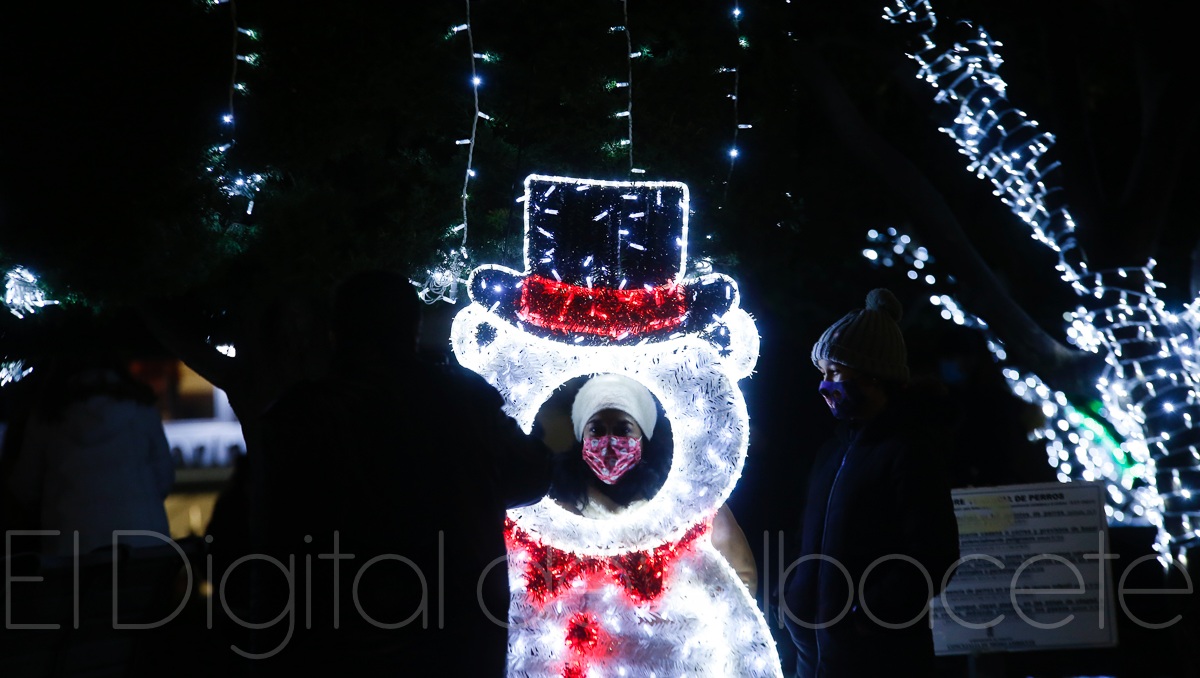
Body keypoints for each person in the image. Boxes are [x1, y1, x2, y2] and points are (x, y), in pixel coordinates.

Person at [228, 268, 552, 675]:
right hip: (457, 636)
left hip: (341, 640)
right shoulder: (464, 401)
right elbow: (531, 476)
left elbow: (272, 544)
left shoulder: (301, 416)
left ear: (336, 330)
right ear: (412, 328)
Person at [781, 288, 960, 677]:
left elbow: (935, 556)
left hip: (876, 658)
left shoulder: (909, 451)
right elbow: (807, 539)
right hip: (814, 654)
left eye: (835, 373)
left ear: (875, 377)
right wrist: (795, 598)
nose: (824, 386)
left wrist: (867, 616)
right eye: (822, 373)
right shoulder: (832, 452)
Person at [550, 372, 758, 592]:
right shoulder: (558, 508)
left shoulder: (688, 500)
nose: (609, 440)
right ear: (582, 435)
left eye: (623, 429)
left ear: (643, 435)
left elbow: (742, 575)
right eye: (596, 430)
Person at [6, 351, 175, 556]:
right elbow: (164, 478)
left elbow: (26, 487)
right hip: (144, 543)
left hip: (72, 547)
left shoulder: (47, 416)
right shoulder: (141, 409)